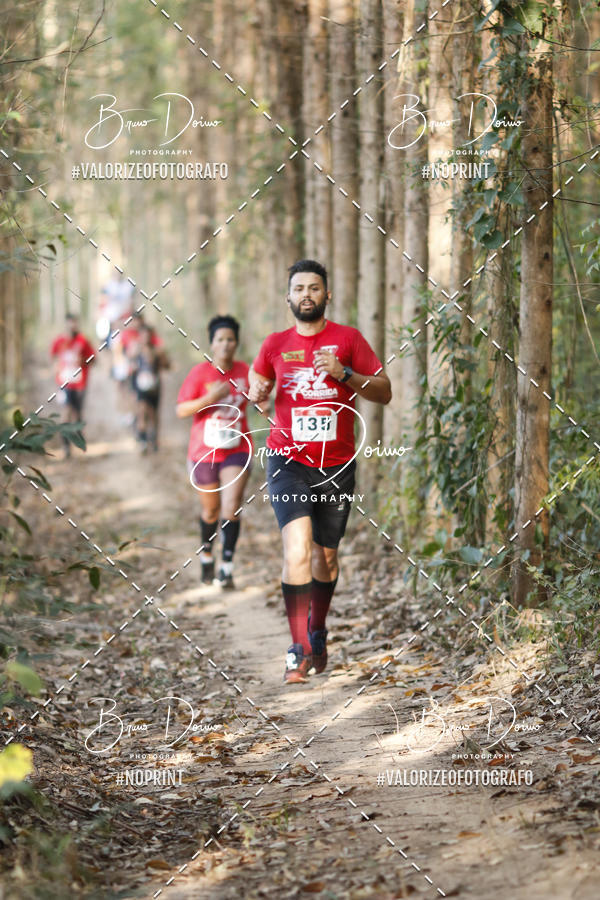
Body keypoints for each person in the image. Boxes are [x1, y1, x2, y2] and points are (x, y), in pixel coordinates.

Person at [248, 259, 392, 684]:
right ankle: (297, 650)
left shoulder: (348, 340)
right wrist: (256, 395)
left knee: (325, 556)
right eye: (298, 288)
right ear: (287, 297)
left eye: (314, 288)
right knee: (297, 548)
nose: (306, 294)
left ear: (327, 295)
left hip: (337, 463)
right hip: (286, 459)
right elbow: (258, 390)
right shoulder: (274, 344)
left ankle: (317, 629)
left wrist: (345, 373)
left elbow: (384, 392)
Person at [176, 315, 252, 589]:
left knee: (231, 507)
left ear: (237, 343)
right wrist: (209, 399)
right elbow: (181, 410)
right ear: (212, 344)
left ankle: (227, 567)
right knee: (211, 512)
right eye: (220, 339)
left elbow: (261, 395)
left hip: (237, 449)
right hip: (204, 452)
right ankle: (207, 554)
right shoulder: (200, 374)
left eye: (230, 339)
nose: (226, 344)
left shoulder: (245, 372)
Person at [50, 313, 96, 457]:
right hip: (64, 383)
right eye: (70, 323)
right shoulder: (59, 341)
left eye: (75, 323)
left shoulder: (83, 341)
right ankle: (65, 446)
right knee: (66, 412)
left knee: (77, 413)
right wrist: (56, 368)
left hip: (80, 383)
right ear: (66, 324)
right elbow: (53, 357)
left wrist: (83, 361)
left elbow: (93, 359)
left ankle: (78, 440)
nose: (72, 326)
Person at [130, 323, 170, 453]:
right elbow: (129, 367)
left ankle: (154, 439)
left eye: (148, 335)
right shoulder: (136, 351)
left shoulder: (157, 351)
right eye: (143, 335)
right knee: (142, 411)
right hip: (140, 387)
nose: (146, 338)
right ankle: (142, 439)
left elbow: (166, 366)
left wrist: (161, 358)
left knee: (154, 414)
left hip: (155, 387)